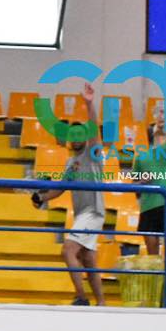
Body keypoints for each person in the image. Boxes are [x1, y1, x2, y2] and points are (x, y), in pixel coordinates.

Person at [32, 83, 104, 306]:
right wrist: (42, 198)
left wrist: (89, 104)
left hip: (93, 212)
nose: (76, 138)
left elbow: (94, 129)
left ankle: (81, 297)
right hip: (81, 213)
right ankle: (102, 303)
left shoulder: (92, 154)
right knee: (87, 259)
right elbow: (62, 187)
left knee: (68, 250)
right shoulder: (71, 162)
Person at [128, 118, 166, 265]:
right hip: (148, 206)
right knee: (152, 249)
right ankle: (156, 277)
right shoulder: (141, 158)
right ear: (150, 134)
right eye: (156, 129)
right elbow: (134, 186)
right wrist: (142, 182)